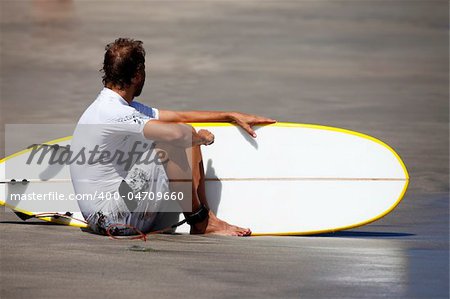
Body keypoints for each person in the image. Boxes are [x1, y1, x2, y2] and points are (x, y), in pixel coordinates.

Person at [70, 38, 276, 237]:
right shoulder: (113, 112)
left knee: (184, 131)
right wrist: (200, 138)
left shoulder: (112, 105)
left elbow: (179, 117)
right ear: (136, 76)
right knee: (173, 141)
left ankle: (206, 217)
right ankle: (200, 221)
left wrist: (230, 115)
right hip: (111, 220)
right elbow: (177, 134)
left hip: (111, 214)